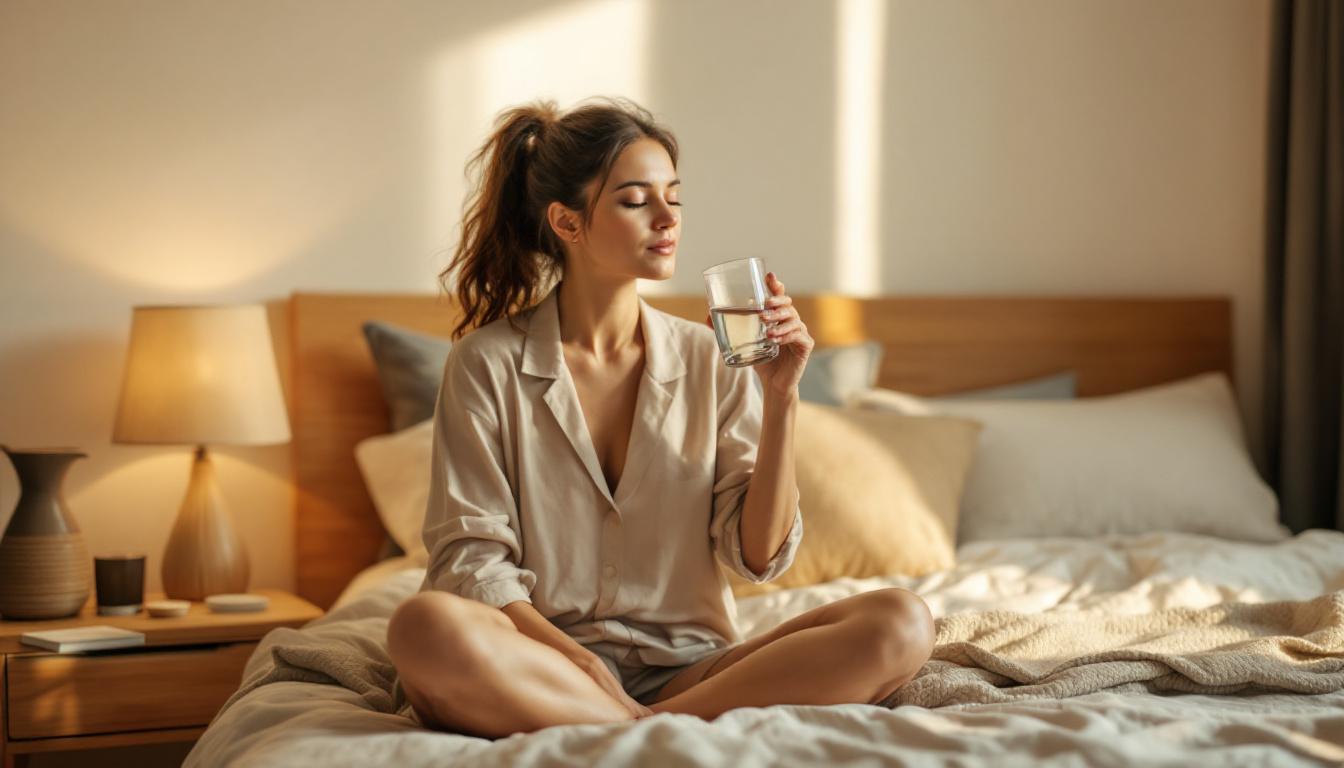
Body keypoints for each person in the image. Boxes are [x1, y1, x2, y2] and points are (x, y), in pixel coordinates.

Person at [386, 97, 935, 739]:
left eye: (674, 197)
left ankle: (630, 727)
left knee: (902, 621)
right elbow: (471, 561)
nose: (668, 217)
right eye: (635, 200)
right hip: (538, 665)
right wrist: (578, 661)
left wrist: (782, 398)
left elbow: (756, 556)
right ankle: (644, 727)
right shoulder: (486, 363)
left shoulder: (710, 356)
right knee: (423, 626)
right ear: (567, 222)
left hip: (692, 671)